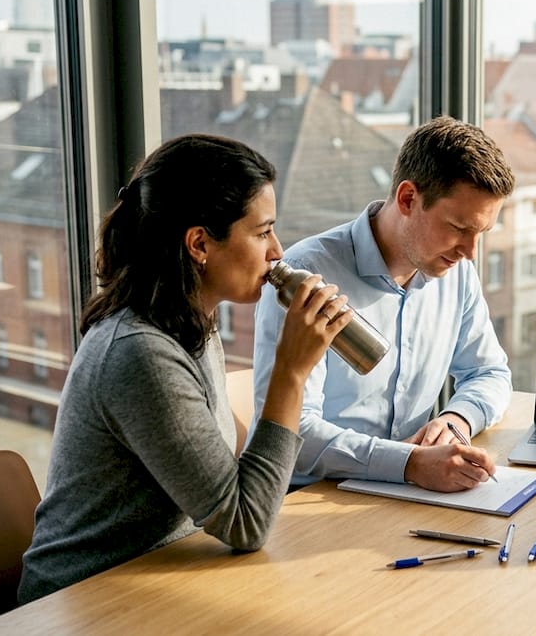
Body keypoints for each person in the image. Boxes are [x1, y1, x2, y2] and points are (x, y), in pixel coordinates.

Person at [18, 134, 352, 603]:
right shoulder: (140, 353)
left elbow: (230, 474)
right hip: (82, 602)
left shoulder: (191, 323)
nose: (277, 250)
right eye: (261, 232)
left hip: (159, 578)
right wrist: (291, 372)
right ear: (199, 244)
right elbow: (244, 523)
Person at [251, 115, 515, 493]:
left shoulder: (455, 273)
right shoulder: (306, 276)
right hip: (312, 497)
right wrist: (409, 463)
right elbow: (290, 431)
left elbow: (489, 373)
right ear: (408, 199)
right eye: (459, 228)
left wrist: (457, 420)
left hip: (406, 493)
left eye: (481, 233)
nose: (470, 252)